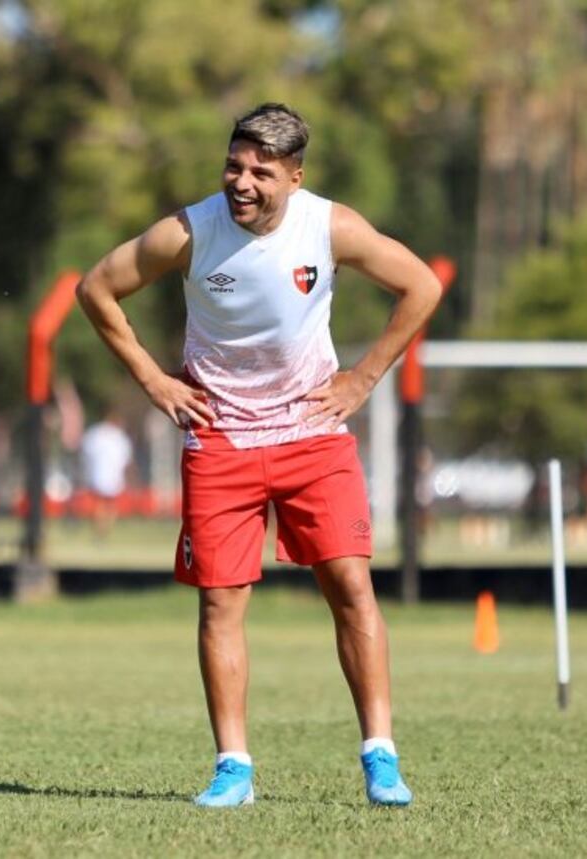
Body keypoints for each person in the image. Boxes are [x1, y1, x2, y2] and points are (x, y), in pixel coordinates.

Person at [75, 103, 442, 807]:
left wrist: (363, 378)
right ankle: (233, 768)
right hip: (220, 442)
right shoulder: (189, 230)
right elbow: (96, 289)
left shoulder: (329, 226)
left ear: (295, 178)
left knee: (351, 587)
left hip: (313, 437)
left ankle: (381, 757)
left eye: (261, 173)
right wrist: (153, 379)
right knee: (220, 603)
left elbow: (421, 285)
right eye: (234, 166)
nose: (241, 182)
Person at [79, 410, 135, 534]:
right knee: (108, 504)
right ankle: (104, 528)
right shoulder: (119, 436)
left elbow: (85, 453)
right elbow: (126, 459)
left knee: (100, 503)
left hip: (99, 473)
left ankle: (100, 528)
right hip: (112, 473)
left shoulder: (95, 433)